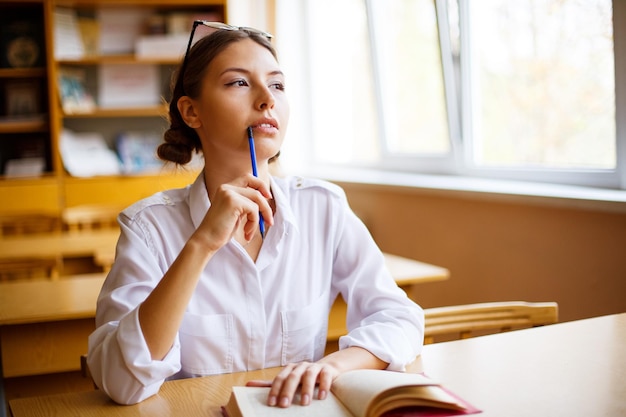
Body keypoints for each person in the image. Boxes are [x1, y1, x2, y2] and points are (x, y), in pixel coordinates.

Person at [87, 22, 424, 407]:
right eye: (238, 83)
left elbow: (399, 318)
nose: (267, 99)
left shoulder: (323, 206)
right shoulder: (148, 228)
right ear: (191, 111)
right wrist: (200, 245)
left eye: (278, 85)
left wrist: (335, 366)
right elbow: (120, 381)